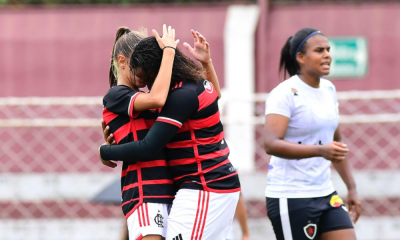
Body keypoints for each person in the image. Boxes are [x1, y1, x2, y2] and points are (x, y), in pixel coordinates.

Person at [99, 31, 241, 240]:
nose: (142, 79)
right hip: (149, 191)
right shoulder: (119, 94)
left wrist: (105, 151)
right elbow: (212, 95)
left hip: (195, 187)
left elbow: (149, 144)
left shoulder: (174, 96)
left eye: (142, 71)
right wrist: (204, 63)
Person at [263, 28, 361, 240]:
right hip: (291, 196)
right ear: (300, 57)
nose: (327, 55)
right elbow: (271, 143)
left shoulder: (328, 89)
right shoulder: (284, 93)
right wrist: (319, 150)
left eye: (328, 49)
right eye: (319, 50)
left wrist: (351, 188)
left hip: (326, 194)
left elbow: (336, 145)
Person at [102, 24, 179, 240]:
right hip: (145, 191)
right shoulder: (116, 95)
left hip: (169, 190)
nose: (145, 70)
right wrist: (169, 52)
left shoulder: (146, 96)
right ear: (122, 61)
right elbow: (157, 98)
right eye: (139, 63)